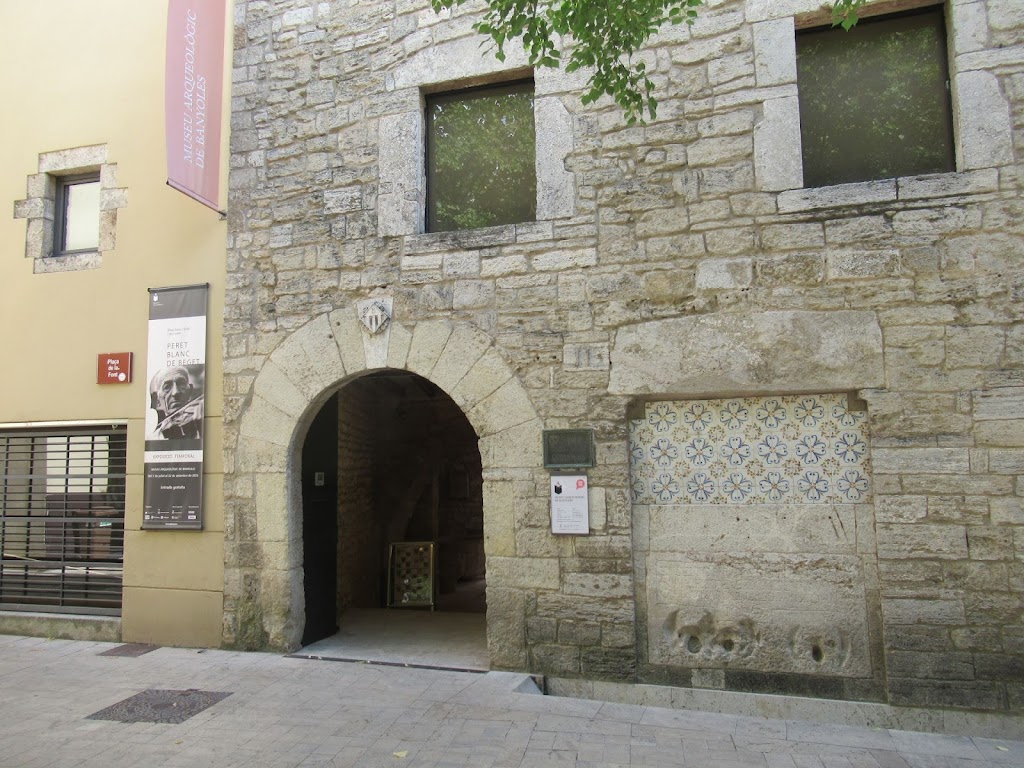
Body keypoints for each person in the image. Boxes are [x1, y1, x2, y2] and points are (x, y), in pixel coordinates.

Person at [149, 366, 204, 439]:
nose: (176, 392)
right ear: (158, 400)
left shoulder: (201, 421)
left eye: (181, 384)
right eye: (167, 387)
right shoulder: (154, 438)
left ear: (190, 391)